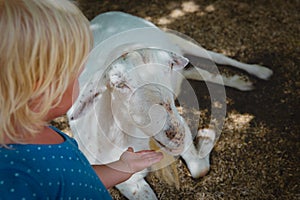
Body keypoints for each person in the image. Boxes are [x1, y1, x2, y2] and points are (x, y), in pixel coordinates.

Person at [0, 0, 163, 199]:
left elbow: (75, 179)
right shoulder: (13, 178)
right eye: (76, 76)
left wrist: (122, 167)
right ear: (42, 87)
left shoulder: (41, 133)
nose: (80, 82)